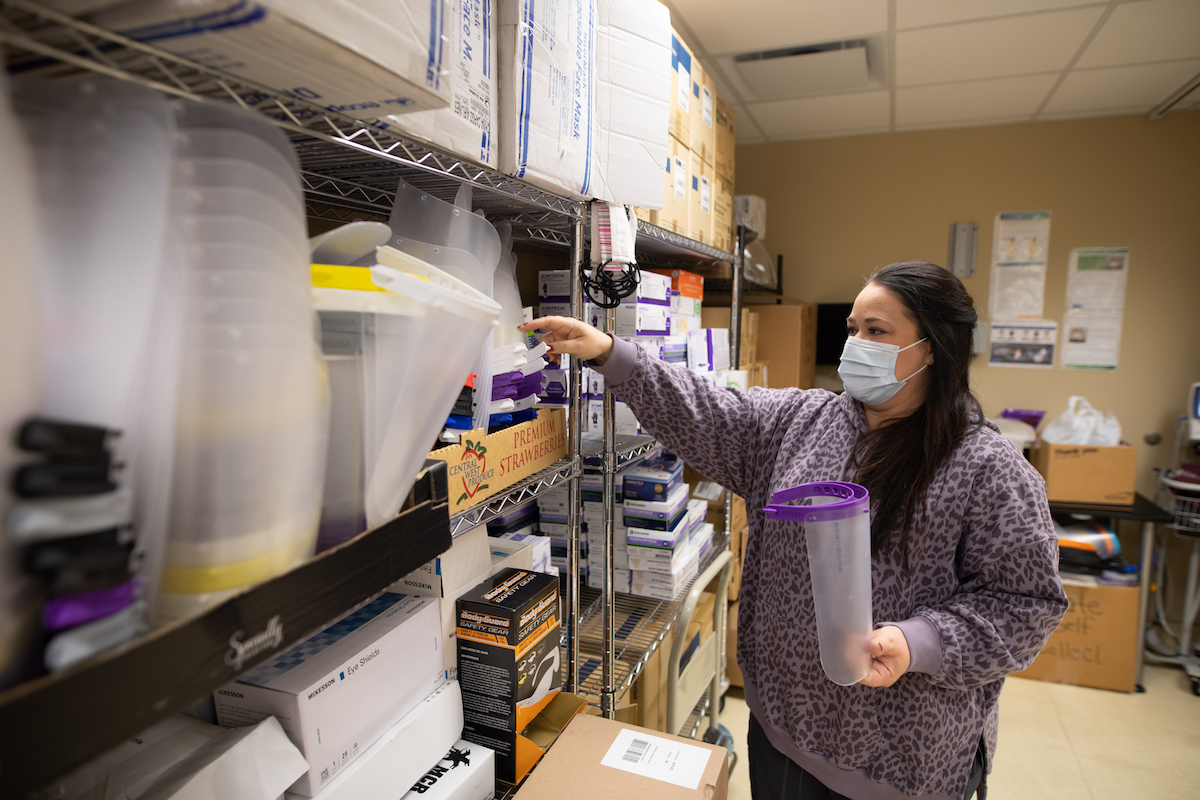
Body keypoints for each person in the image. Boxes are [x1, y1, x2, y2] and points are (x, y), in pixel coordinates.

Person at [519, 262, 1067, 800]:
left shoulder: (987, 468)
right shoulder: (803, 423)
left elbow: (1025, 604)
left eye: (877, 331)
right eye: (853, 329)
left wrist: (917, 641)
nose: (855, 344)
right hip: (785, 732)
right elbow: (710, 411)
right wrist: (611, 355)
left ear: (933, 348)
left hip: (899, 765)